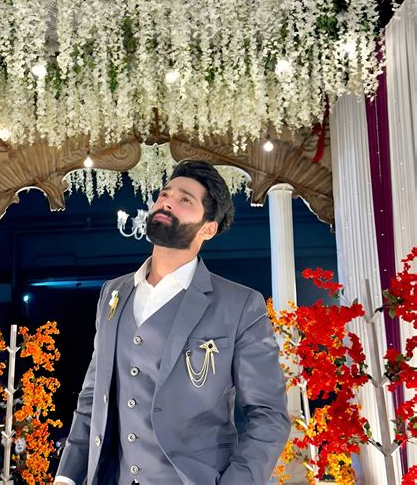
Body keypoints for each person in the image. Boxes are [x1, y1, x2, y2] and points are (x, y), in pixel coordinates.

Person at [54, 159, 290, 485]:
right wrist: (67, 476)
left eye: (185, 200)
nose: (167, 202)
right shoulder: (113, 293)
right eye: (165, 194)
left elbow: (268, 415)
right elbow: (93, 396)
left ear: (208, 228)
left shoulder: (240, 305)